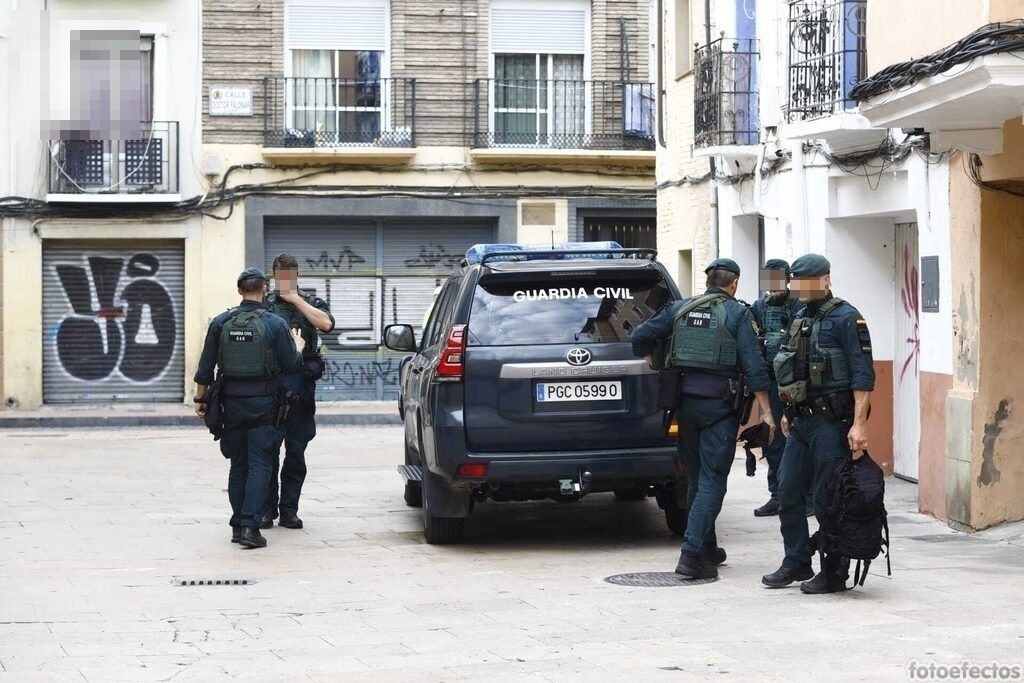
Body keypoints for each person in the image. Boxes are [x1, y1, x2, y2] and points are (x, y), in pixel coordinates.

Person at [631, 258, 775, 579]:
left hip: (684, 405)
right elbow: (753, 365)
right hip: (719, 408)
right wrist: (766, 410)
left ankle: (707, 546)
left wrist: (657, 359)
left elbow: (639, 337)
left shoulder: (679, 309)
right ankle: (691, 555)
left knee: (697, 477)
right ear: (734, 284)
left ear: (708, 279)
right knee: (713, 481)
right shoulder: (738, 314)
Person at [761, 253, 875, 593]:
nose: (799, 287)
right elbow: (791, 368)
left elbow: (862, 375)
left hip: (831, 422)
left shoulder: (847, 318)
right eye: (796, 281)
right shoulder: (799, 317)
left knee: (829, 497)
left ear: (825, 279)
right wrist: (786, 412)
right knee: (788, 492)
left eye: (806, 281)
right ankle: (796, 561)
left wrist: (860, 424)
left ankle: (833, 571)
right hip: (800, 421)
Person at [193, 268, 304, 549]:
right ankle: (250, 528)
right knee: (260, 464)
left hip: (230, 404)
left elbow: (205, 366)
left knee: (238, 465)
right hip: (264, 406)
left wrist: (200, 400)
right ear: (264, 289)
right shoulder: (275, 323)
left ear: (239, 290)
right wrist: (299, 347)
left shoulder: (221, 322)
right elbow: (292, 366)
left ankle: (237, 524)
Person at [262, 254, 335, 530]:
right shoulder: (265, 305)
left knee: (296, 451)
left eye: (289, 277)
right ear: (273, 275)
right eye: (281, 277)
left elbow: (326, 324)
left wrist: (295, 299)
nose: (285, 282)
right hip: (271, 388)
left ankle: (289, 509)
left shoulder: (311, 302)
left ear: (296, 276)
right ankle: (267, 509)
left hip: (301, 390)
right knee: (268, 451)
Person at [750, 259, 806, 517]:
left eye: (777, 282)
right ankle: (777, 495)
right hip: (770, 381)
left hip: (796, 382)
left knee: (800, 438)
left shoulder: (799, 305)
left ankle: (807, 497)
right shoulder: (759, 307)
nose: (772, 289)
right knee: (773, 439)